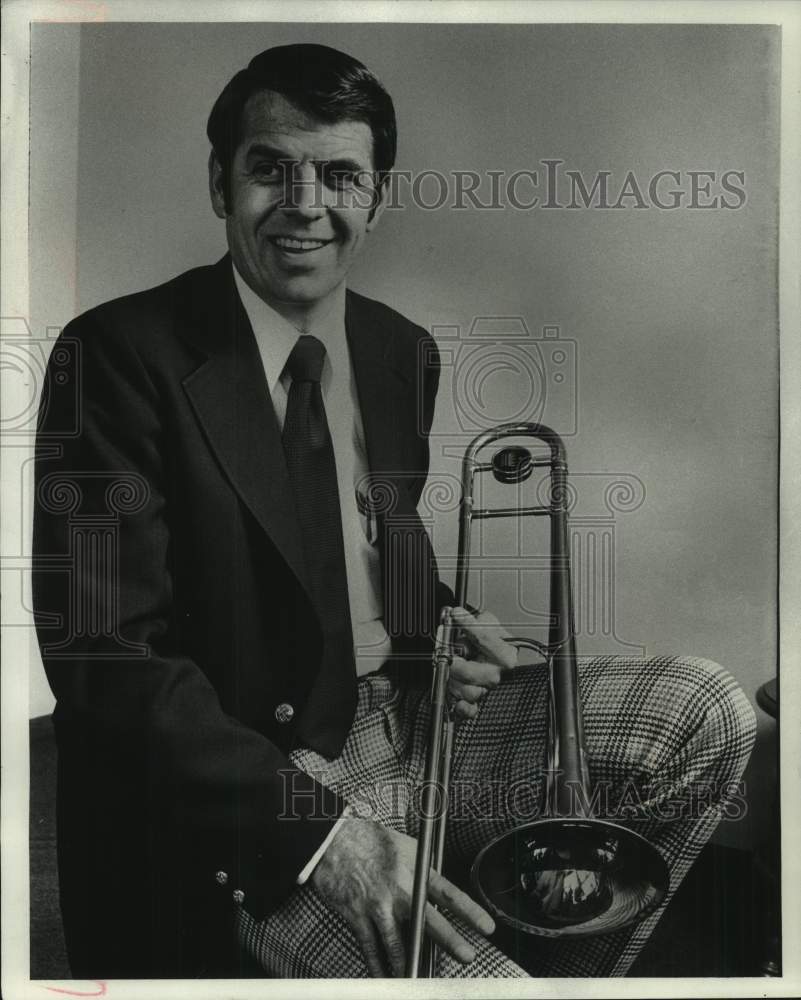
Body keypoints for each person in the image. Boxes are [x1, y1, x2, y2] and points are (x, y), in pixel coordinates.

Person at [33, 43, 757, 980]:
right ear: (220, 182)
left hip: (404, 725)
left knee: (706, 709)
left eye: (339, 174)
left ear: (378, 197)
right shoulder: (116, 354)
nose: (304, 205)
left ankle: (528, 959)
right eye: (269, 169)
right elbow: (103, 660)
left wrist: (438, 626)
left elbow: (371, 549)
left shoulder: (394, 348)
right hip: (260, 773)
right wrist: (330, 839)